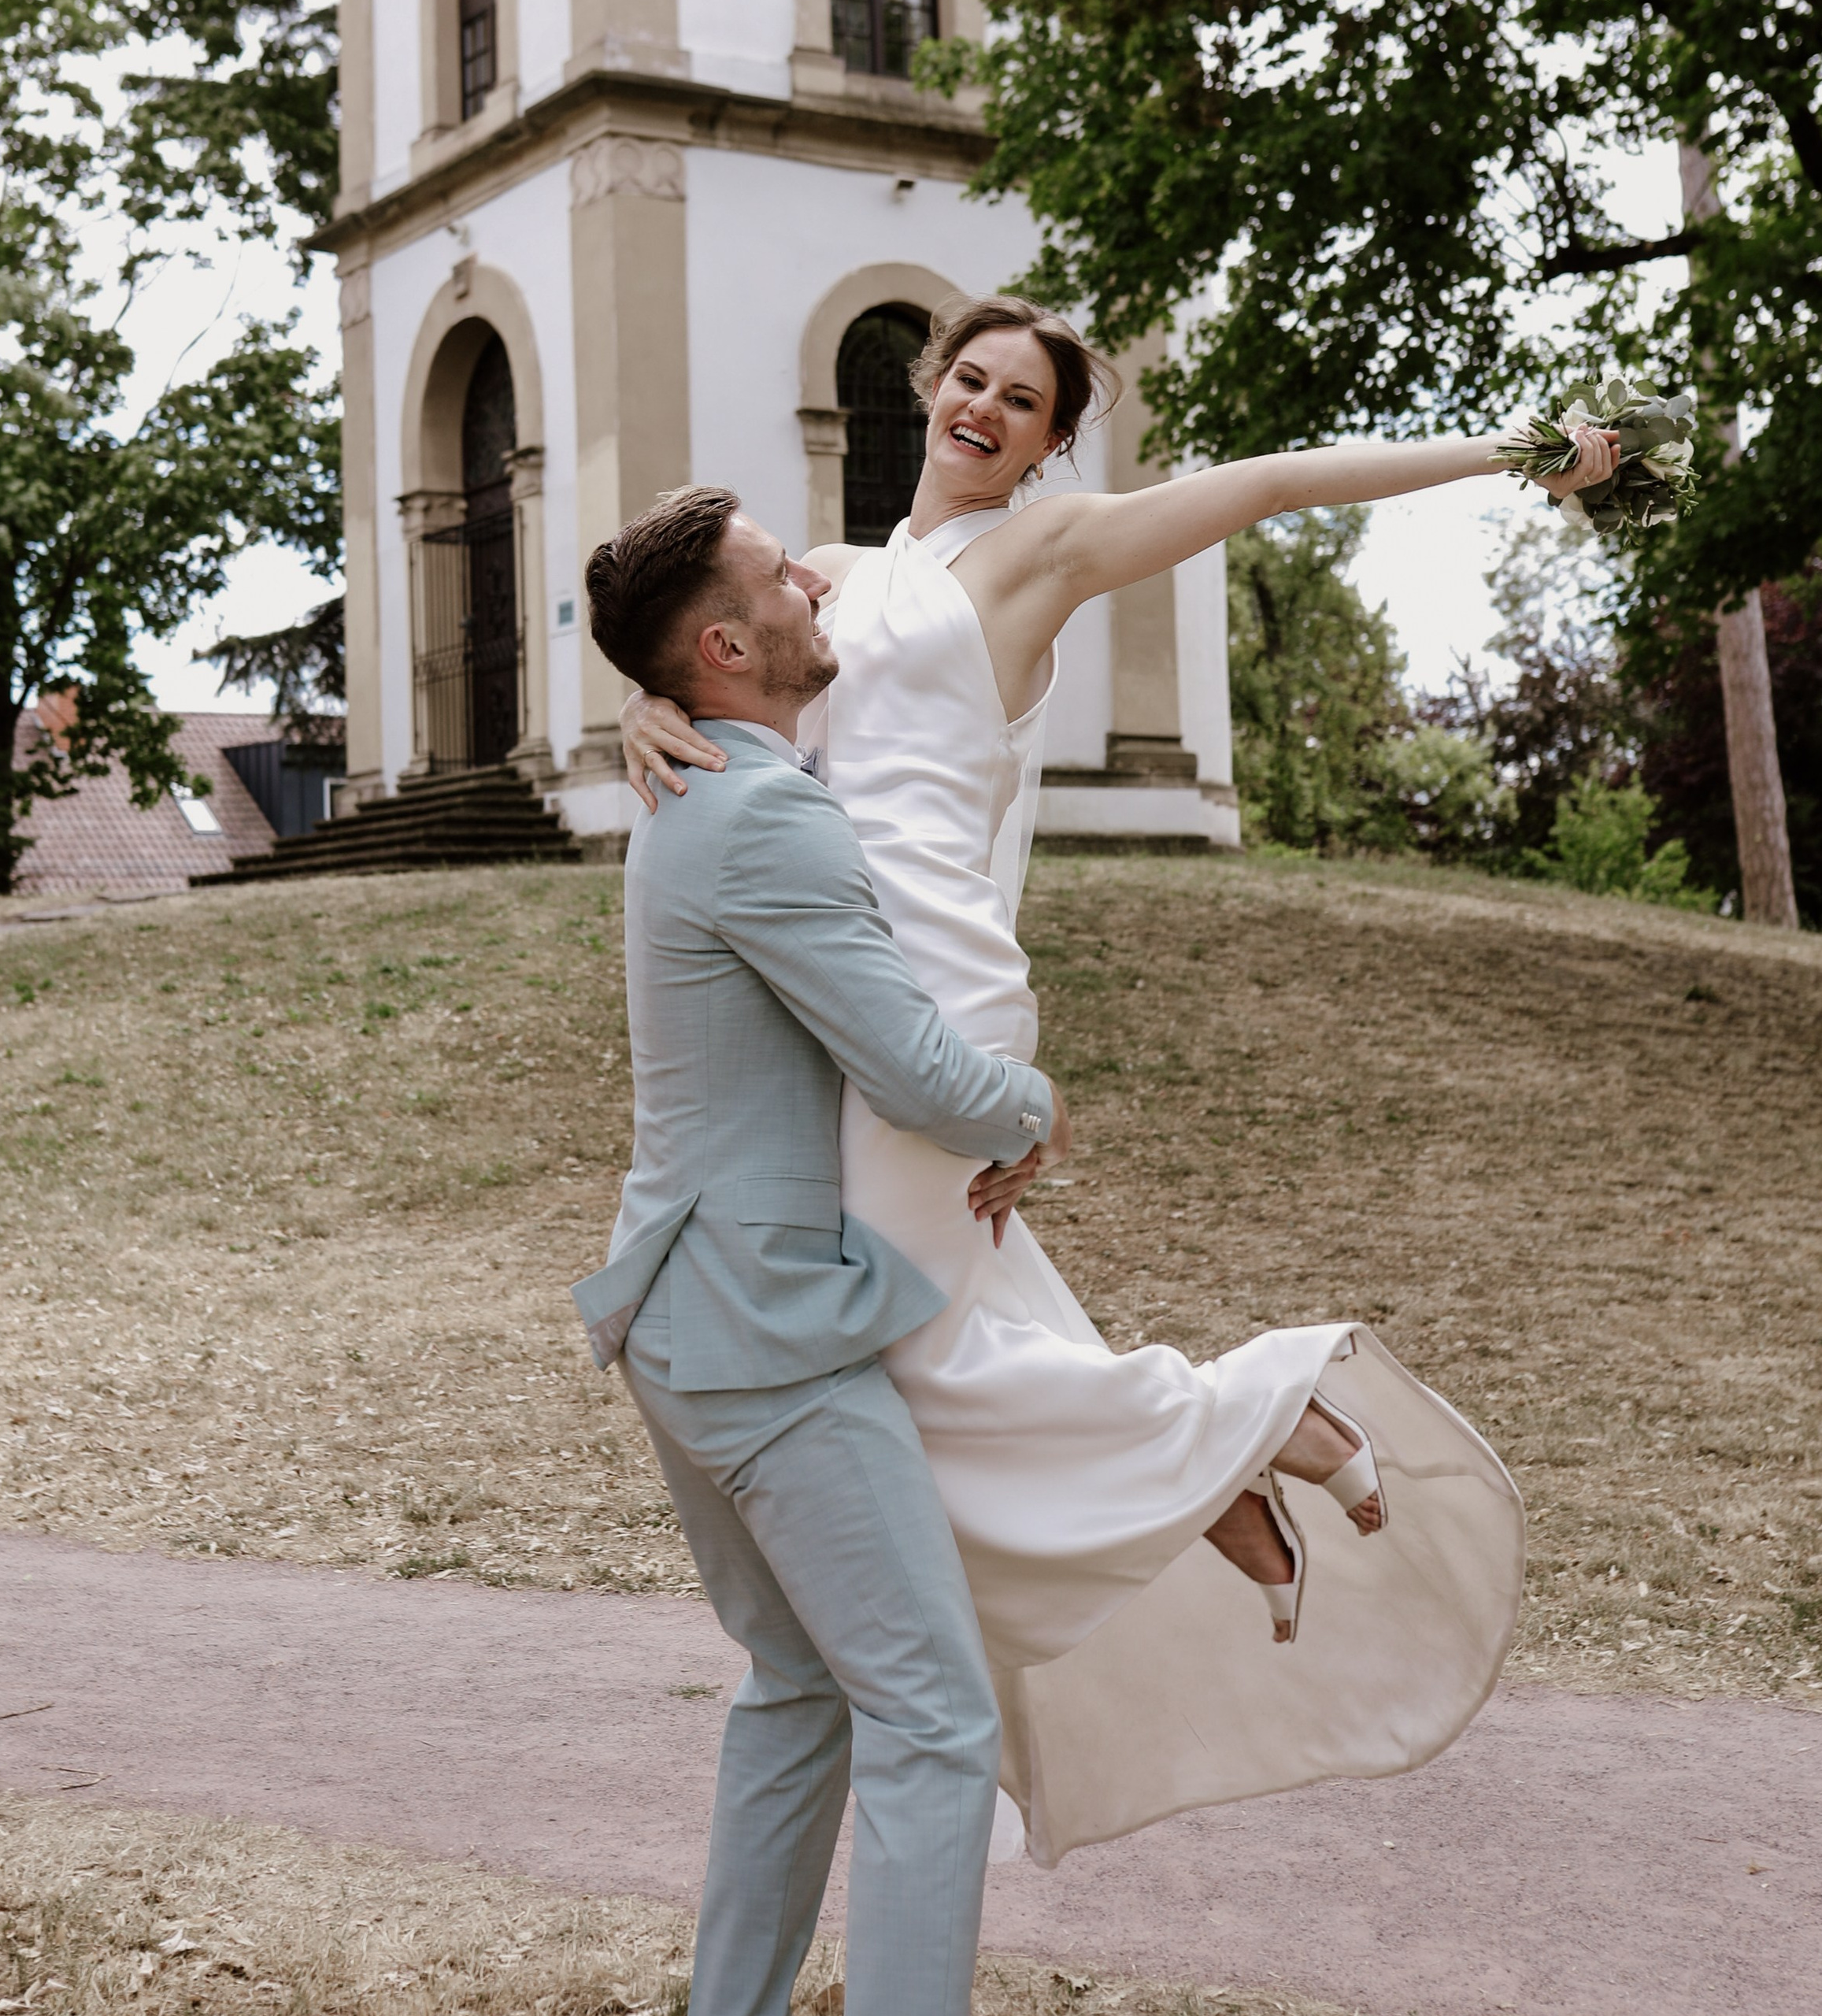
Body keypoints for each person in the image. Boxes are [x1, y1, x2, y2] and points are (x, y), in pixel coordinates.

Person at [618, 295, 1618, 1869]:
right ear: (924, 387)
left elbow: (1275, 484)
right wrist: (646, 707)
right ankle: (1216, 1486)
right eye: (968, 378)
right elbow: (704, 642)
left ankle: (1258, 1411)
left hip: (927, 1005)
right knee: (932, 1354)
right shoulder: (831, 575)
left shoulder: (1046, 550)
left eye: (1020, 401)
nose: (984, 410)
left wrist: (1506, 452)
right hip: (837, 1002)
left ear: (1047, 440)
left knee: (907, 1359)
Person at [572, 483, 1069, 2016]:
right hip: (762, 1328)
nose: (811, 577)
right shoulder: (764, 808)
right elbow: (914, 1070)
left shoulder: (700, 782)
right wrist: (1031, 1098)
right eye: (778, 575)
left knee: (801, 1687)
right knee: (929, 1716)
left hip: (678, 1309)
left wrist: (643, 704)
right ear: (725, 645)